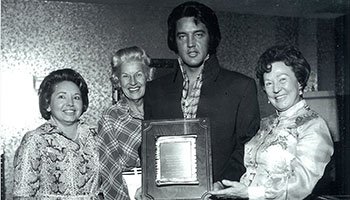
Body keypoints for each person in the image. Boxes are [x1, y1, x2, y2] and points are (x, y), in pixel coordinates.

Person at [143, 0, 260, 188]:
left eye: (198, 34)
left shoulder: (241, 87)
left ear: (210, 37)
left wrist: (222, 184)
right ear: (174, 41)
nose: (190, 44)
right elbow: (148, 147)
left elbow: (248, 147)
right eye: (182, 36)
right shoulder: (154, 90)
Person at [209, 45, 334, 199]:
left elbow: (302, 185)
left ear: (299, 82)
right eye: (269, 83)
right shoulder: (264, 124)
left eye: (282, 80)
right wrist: (223, 185)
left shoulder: (313, 126)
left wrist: (250, 193)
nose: (276, 89)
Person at [13, 68, 100, 199]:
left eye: (76, 97)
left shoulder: (96, 136)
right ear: (48, 104)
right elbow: (22, 195)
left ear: (83, 105)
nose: (70, 103)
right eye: (61, 96)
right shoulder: (35, 140)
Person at [97, 46, 152, 199]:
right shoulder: (111, 118)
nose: (133, 82)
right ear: (117, 81)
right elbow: (110, 174)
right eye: (126, 76)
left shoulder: (162, 111)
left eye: (138, 74)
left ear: (147, 76)